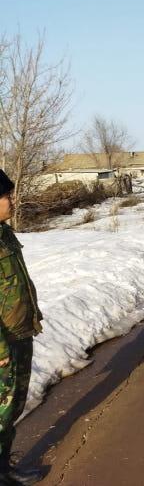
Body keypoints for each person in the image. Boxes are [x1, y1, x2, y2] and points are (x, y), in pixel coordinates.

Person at [0, 170, 44, 485]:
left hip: (19, 332)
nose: (13, 202)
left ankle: (3, 468)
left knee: (12, 408)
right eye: (7, 197)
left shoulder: (4, 234)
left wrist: (33, 315)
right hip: (3, 343)